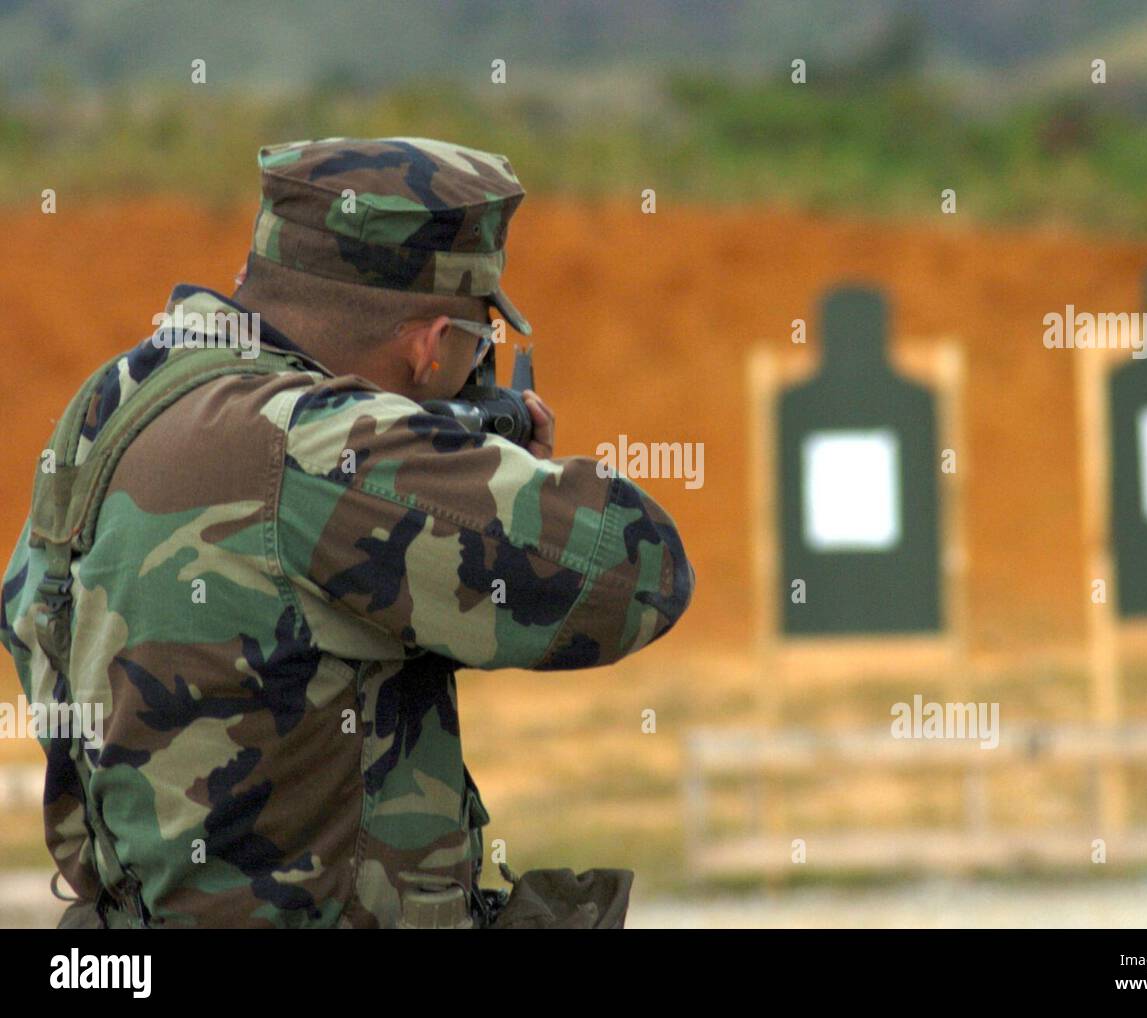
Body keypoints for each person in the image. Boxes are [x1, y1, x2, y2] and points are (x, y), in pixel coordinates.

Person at [0, 137, 694, 928]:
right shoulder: (324, 447)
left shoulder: (110, 407)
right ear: (433, 344)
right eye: (477, 346)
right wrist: (506, 475)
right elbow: (638, 571)